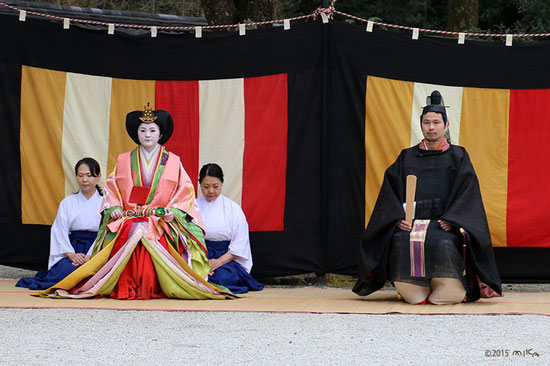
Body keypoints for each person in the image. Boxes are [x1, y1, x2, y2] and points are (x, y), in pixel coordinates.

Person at [40, 103, 235, 300]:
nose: (147, 134)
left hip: (160, 221)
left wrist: (172, 212)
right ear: (137, 133)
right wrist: (114, 206)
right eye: (142, 130)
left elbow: (185, 192)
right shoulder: (124, 160)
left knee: (149, 232)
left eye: (152, 130)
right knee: (131, 231)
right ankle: (122, 282)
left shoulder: (174, 161)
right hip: (130, 218)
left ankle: (163, 283)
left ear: (160, 134)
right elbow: (111, 187)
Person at [352, 90, 502, 305]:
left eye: (436, 122)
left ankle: (448, 287)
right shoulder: (407, 156)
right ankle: (413, 288)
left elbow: (467, 192)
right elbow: (389, 192)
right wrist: (397, 218)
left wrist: (453, 219)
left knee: (443, 241)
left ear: (446, 126)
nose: (431, 127)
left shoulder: (458, 156)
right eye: (426, 122)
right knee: (399, 240)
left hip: (444, 224)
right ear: (421, 125)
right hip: (412, 223)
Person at [17, 158, 103, 290]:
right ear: (76, 177)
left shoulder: (105, 203)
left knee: (96, 275)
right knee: (66, 273)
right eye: (80, 176)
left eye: (89, 175)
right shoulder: (68, 202)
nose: (84, 180)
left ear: (98, 177)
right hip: (72, 248)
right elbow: (59, 230)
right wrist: (71, 254)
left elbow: (104, 232)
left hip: (96, 248)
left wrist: (90, 255)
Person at [197, 163, 264, 294]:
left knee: (223, 277)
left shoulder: (233, 209)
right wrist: (202, 261)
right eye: (206, 186)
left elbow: (239, 244)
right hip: (199, 256)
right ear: (200, 185)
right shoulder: (193, 206)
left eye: (215, 186)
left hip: (224, 258)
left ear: (222, 183)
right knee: (190, 274)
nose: (211, 191)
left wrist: (217, 263)